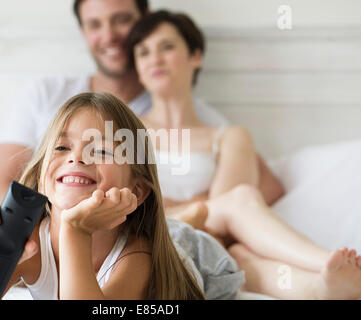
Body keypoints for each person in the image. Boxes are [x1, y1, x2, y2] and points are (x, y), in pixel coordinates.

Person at [0, 0, 280, 291]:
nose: (76, 157)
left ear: (142, 21)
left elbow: (252, 192)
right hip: (49, 217)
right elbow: (7, 187)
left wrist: (81, 224)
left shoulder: (185, 116)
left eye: (120, 19)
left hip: (169, 240)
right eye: (60, 148)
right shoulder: (46, 94)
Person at [125, 10, 361, 299]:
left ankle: (323, 287)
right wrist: (191, 205)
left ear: (195, 56)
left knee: (238, 251)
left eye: (167, 46)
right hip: (149, 232)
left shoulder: (230, 136)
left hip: (208, 241)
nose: (155, 59)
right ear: (137, 68)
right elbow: (222, 204)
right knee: (244, 199)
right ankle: (323, 258)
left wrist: (173, 201)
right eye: (143, 52)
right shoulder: (127, 132)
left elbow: (220, 216)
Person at [0, 92, 243, 299]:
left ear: (136, 189)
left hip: (197, 257)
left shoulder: (136, 255)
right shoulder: (30, 244)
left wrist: (75, 229)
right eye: (61, 147)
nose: (76, 158)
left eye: (100, 150)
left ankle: (195, 223)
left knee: (188, 240)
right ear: (42, 178)